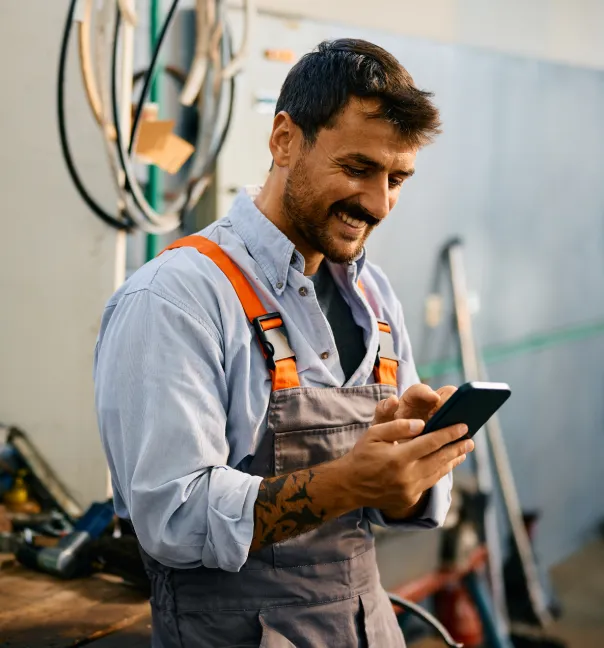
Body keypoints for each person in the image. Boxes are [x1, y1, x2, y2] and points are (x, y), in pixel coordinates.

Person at [94, 38, 474, 648]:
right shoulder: (175, 298)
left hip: (367, 626)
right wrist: (350, 480)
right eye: (357, 169)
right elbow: (172, 518)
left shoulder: (373, 296)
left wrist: (412, 462)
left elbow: (387, 509)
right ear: (284, 140)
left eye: (397, 178)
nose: (378, 203)